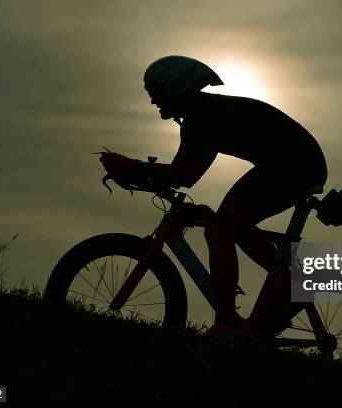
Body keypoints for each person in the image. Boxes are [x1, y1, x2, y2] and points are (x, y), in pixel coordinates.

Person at [100, 55, 327, 337]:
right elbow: (188, 175)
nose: (152, 102)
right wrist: (142, 172)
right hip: (297, 163)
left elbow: (184, 176)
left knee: (220, 231)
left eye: (156, 94)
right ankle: (289, 285)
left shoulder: (201, 119)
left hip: (291, 165)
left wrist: (133, 167)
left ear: (176, 87)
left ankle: (227, 323)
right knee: (233, 225)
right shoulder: (205, 112)